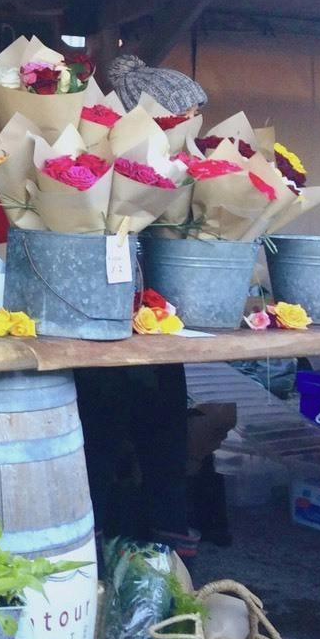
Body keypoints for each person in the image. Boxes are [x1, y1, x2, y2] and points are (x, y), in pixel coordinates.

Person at [73, 53, 211, 556]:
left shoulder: (176, 166)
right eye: (183, 117)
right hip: (100, 319)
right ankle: (93, 542)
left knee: (164, 424)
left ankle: (168, 538)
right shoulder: (94, 159)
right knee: (99, 430)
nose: (192, 126)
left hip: (156, 320)